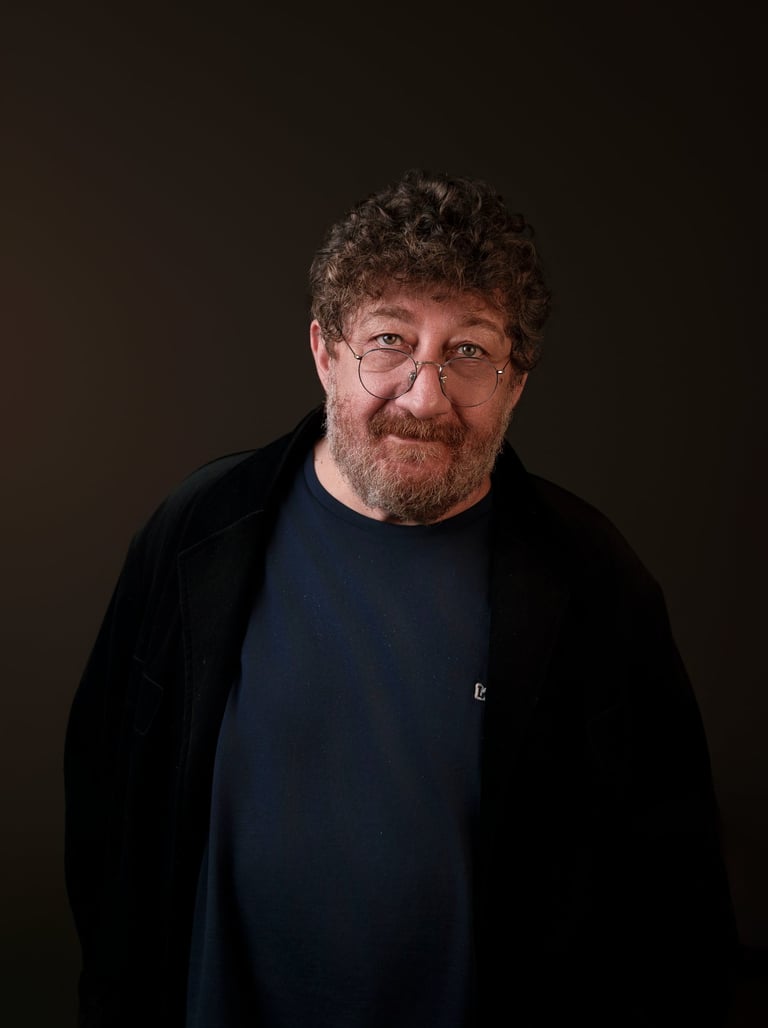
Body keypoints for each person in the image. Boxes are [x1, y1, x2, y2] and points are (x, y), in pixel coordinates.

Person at [64, 168, 739, 1028]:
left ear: (516, 380)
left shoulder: (593, 582)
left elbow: (675, 899)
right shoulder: (198, 534)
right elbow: (106, 811)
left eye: (470, 352)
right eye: (389, 341)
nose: (426, 397)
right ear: (324, 353)